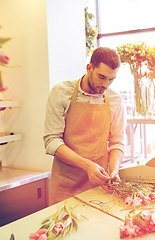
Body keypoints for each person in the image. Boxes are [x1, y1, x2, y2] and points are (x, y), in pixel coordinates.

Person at [43, 47, 126, 205]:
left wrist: (114, 170)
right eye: (101, 77)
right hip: (65, 185)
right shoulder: (61, 93)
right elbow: (51, 141)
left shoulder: (115, 99)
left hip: (99, 185)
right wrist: (87, 165)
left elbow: (117, 141)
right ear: (89, 68)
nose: (105, 84)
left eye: (111, 79)